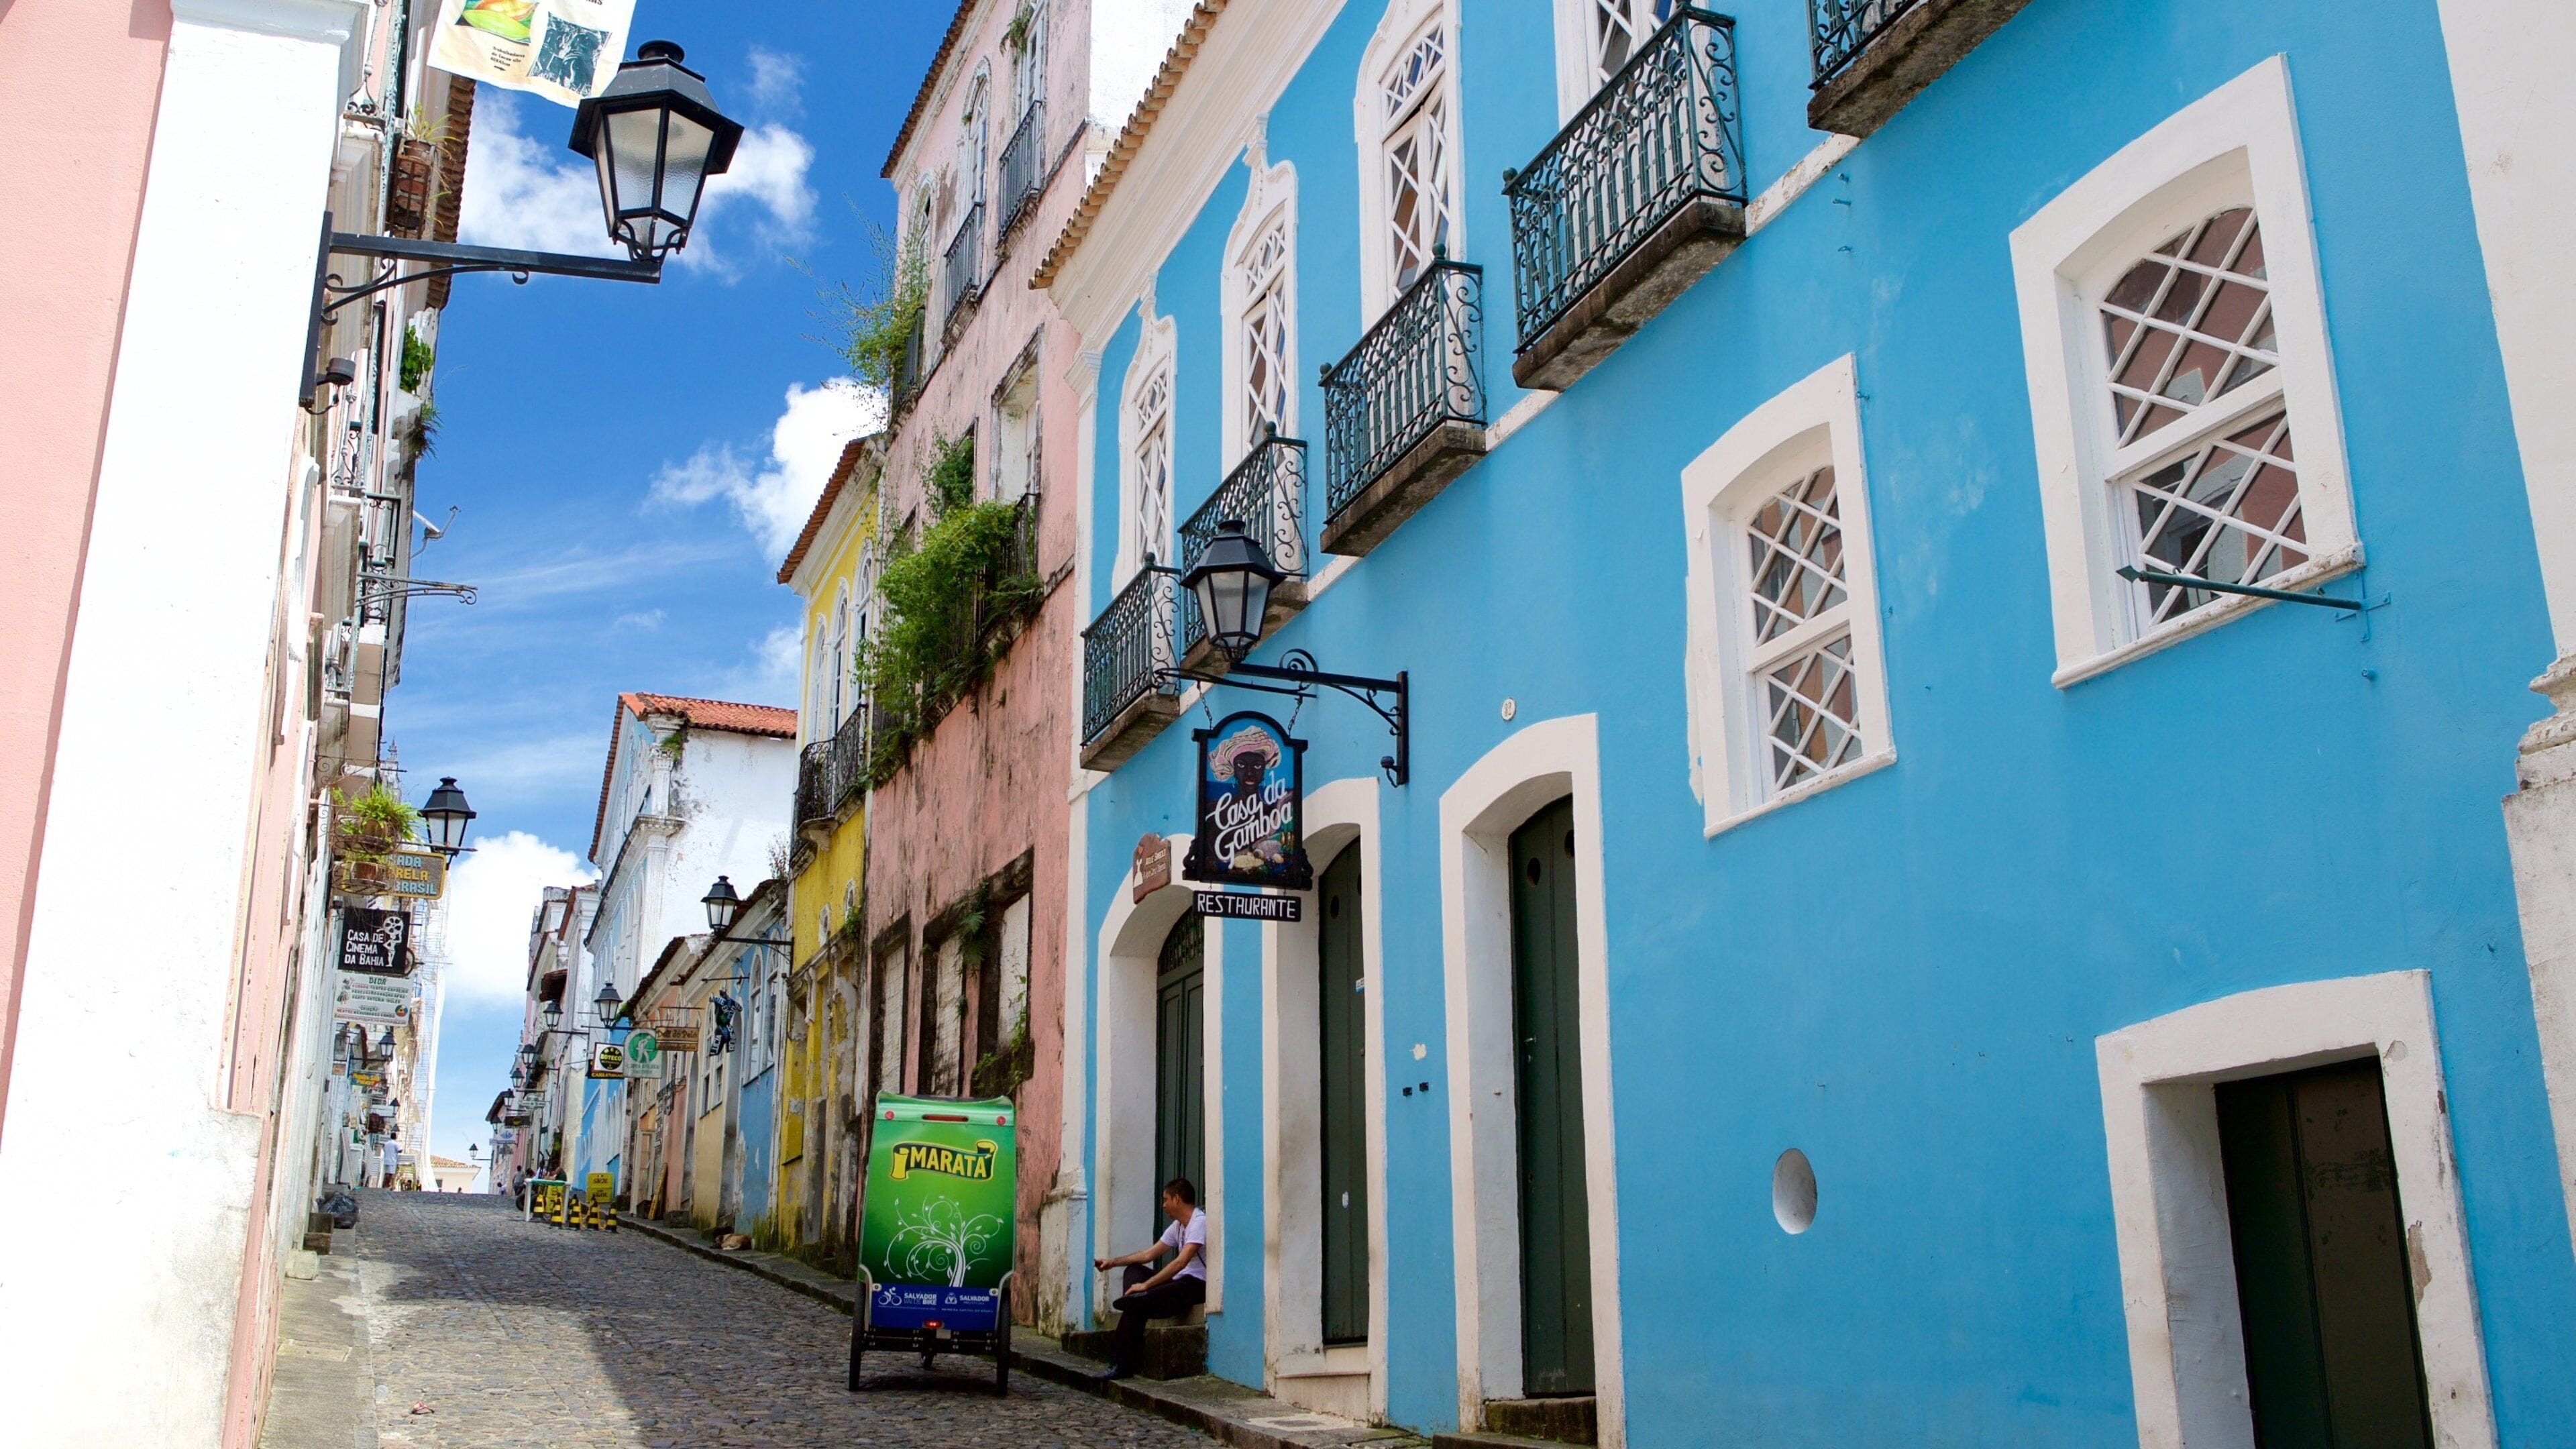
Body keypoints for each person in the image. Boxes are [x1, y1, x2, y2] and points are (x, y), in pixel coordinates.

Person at [1091, 1178, 1207, 1381]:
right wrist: (1112, 1262)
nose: (1163, 1205)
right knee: (1133, 1271)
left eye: (1166, 1199)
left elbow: (1180, 1263)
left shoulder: (1200, 1222)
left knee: (1140, 1299)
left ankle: (1123, 1364)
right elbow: (1148, 1255)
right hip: (1179, 1281)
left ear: (1177, 1199)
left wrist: (1146, 1285)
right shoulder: (1178, 1226)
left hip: (1195, 1286)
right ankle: (1137, 1300)